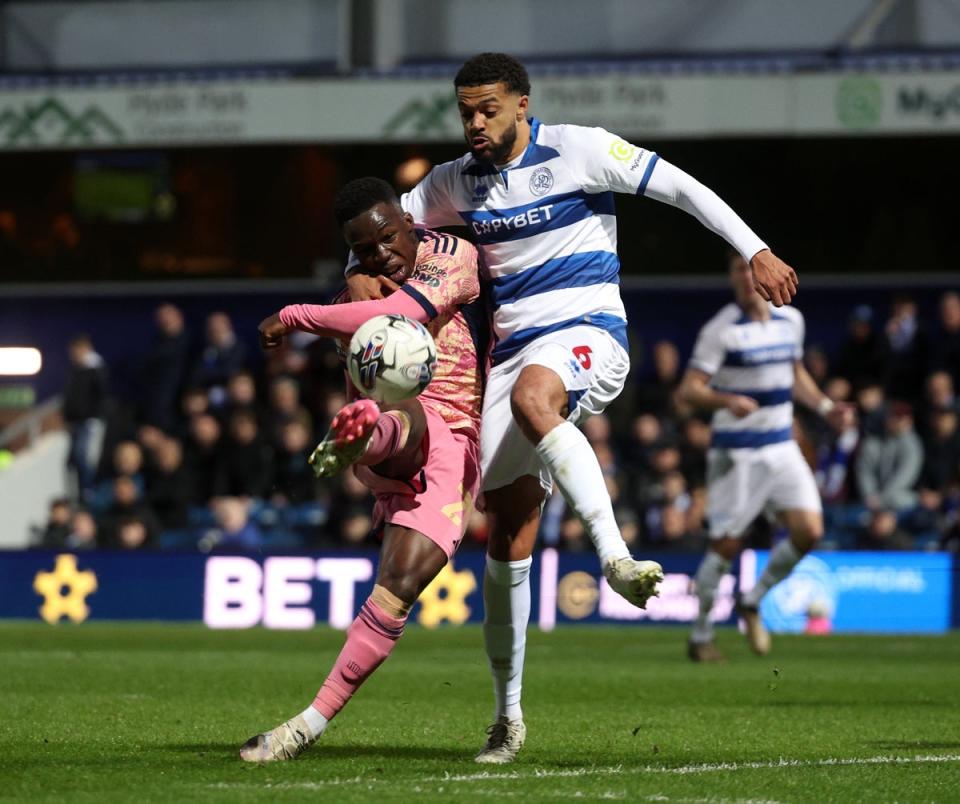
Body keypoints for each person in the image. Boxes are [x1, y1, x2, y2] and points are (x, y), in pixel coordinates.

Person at [346, 52, 797, 761]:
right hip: (513, 355)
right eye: (465, 111)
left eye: (488, 109)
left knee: (535, 397)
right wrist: (354, 279)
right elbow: (381, 228)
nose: (475, 123)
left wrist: (755, 250)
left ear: (523, 104)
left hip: (590, 333)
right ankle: (508, 716)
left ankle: (615, 558)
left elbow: (680, 188)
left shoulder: (581, 148)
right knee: (504, 536)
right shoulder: (454, 183)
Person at [239, 177, 484, 763]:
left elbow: (406, 311)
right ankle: (369, 436)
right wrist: (343, 296)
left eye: (388, 239)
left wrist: (296, 314)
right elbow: (365, 320)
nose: (382, 256)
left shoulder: (452, 255)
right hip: (405, 442)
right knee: (403, 412)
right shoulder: (353, 292)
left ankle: (303, 727)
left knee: (395, 593)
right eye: (365, 250)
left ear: (407, 220)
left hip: (449, 446)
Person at [679, 254, 853, 663]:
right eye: (736, 269)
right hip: (737, 454)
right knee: (725, 544)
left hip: (780, 445)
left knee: (809, 530)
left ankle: (752, 600)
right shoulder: (721, 330)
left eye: (747, 267)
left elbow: (795, 376)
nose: (743, 275)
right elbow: (688, 390)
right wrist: (724, 400)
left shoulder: (790, 320)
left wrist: (826, 407)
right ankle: (701, 635)